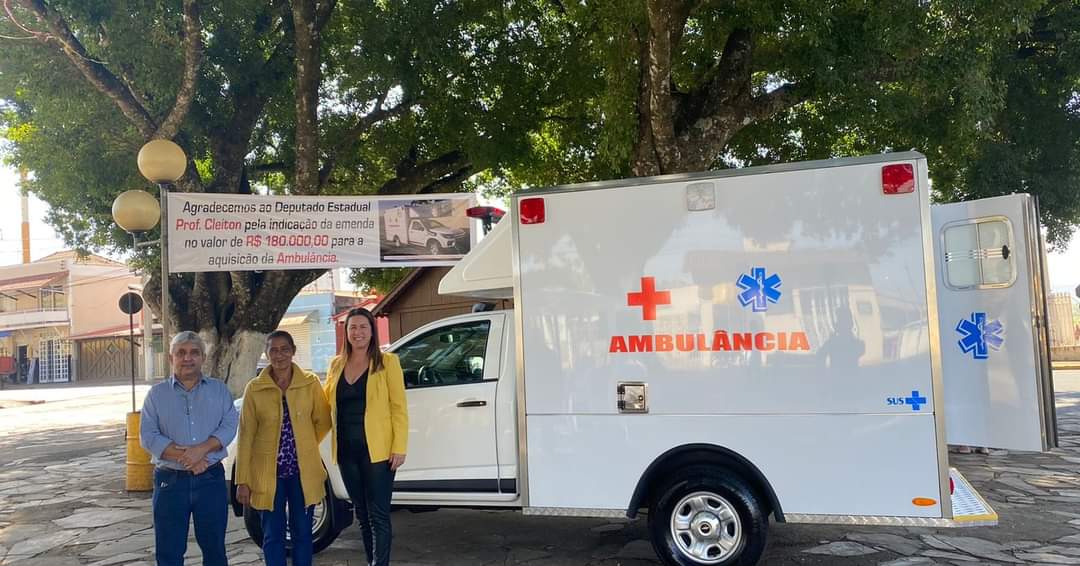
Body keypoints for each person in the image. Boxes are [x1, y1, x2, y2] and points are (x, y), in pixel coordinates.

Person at [140, 331, 239, 566]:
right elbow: (148, 436)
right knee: (169, 552)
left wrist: (202, 450)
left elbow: (229, 425)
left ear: (203, 357)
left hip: (211, 480)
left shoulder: (219, 391)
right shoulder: (156, 395)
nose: (188, 358)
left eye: (194, 352)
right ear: (170, 358)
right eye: (181, 353)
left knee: (215, 549)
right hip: (170, 482)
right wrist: (190, 457)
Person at [235, 331, 332, 566]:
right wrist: (242, 480)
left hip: (303, 473)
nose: (279, 355)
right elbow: (246, 436)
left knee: (302, 534)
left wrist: (305, 444)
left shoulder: (309, 383)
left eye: (284, 349)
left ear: (293, 351)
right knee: (272, 535)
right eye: (274, 350)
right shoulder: (255, 388)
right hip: (267, 475)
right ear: (266, 354)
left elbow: (323, 421)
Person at [324, 308, 408, 566]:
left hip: (378, 451)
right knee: (361, 513)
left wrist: (399, 446)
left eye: (363, 327)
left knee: (379, 515)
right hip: (347, 451)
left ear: (372, 330)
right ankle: (372, 561)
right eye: (353, 328)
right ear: (346, 332)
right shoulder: (336, 364)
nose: (358, 332)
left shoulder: (388, 362)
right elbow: (325, 403)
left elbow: (399, 407)